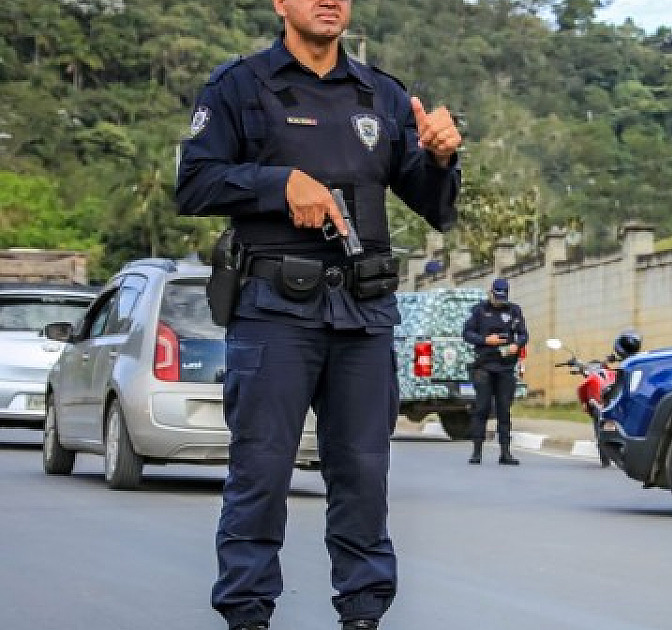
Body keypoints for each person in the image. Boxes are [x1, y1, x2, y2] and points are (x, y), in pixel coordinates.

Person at [174, 0, 461, 628]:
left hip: (363, 314)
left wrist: (440, 158)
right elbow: (194, 181)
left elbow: (434, 205)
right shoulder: (239, 86)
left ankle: (363, 614)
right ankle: (248, 615)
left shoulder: (381, 95)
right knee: (262, 471)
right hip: (274, 312)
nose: (329, 1)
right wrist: (280, 184)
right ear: (281, 4)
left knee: (362, 475)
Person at [462, 278, 528, 466]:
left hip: (506, 366)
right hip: (484, 366)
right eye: (496, 296)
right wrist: (485, 340)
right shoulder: (479, 310)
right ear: (491, 292)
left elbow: (524, 334)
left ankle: (505, 452)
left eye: (503, 297)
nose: (499, 300)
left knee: (504, 410)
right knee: (481, 408)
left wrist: (517, 344)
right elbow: (467, 333)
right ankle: (477, 452)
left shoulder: (514, 310)